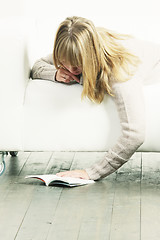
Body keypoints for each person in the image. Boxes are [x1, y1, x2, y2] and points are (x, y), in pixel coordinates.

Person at [31, 16, 160, 181]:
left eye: (77, 65)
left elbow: (135, 135)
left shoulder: (121, 72)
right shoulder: (79, 43)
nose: (71, 69)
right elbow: (37, 65)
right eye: (64, 62)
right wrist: (56, 73)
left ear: (90, 56)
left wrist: (91, 173)